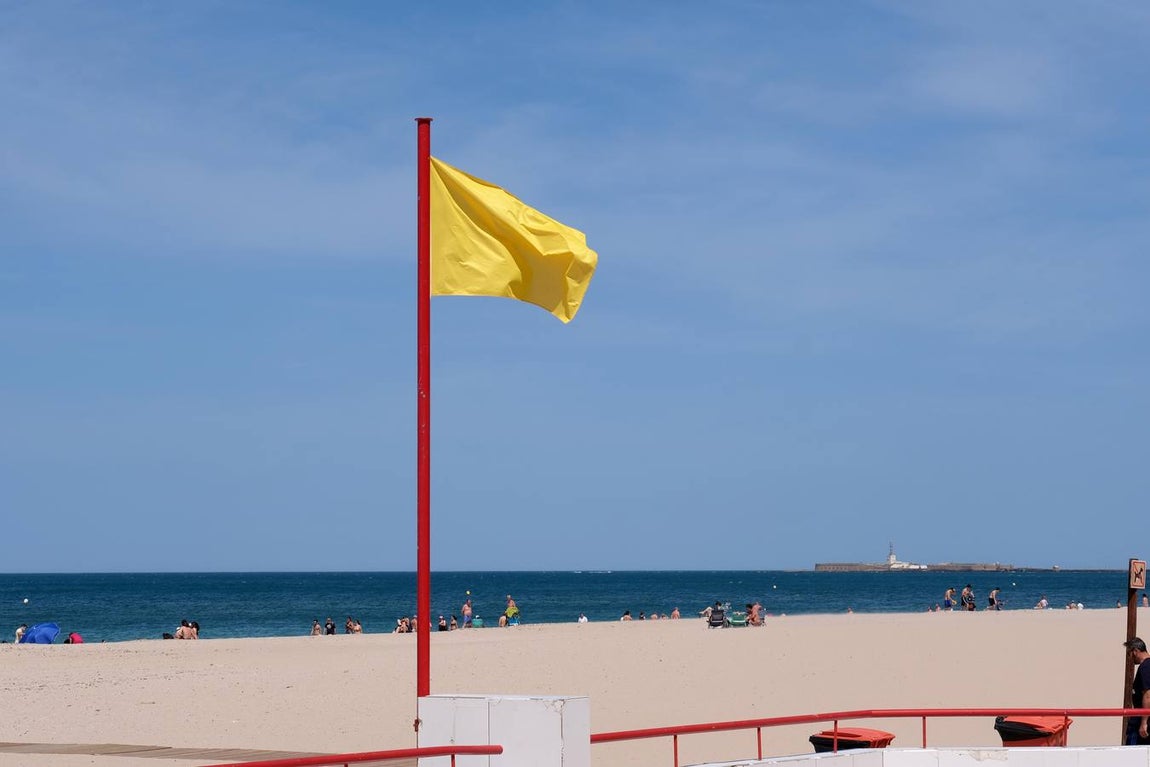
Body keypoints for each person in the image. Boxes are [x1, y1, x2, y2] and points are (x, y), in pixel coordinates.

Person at [1127, 638, 1150, 745]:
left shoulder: (1145, 667)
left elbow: (1148, 694)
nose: (1130, 658)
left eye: (1129, 653)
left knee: (1131, 756)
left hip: (1141, 722)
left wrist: (1144, 722)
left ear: (1135, 651)